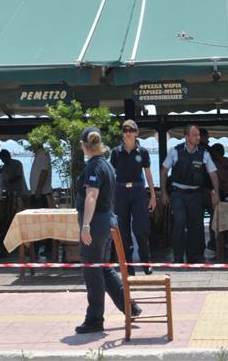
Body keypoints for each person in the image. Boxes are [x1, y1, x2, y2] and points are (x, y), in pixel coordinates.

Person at [74, 126, 141, 334]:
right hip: (107, 220)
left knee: (92, 270)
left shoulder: (94, 167)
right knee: (104, 267)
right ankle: (130, 307)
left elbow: (91, 195)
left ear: (84, 146)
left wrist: (86, 225)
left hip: (96, 222)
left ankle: (94, 319)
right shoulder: (106, 165)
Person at [160, 124, 220, 263]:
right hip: (178, 194)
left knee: (195, 225)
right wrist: (163, 193)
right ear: (186, 137)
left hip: (195, 194)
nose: (198, 137)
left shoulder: (204, 153)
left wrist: (216, 193)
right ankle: (178, 258)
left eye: (199, 135)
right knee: (179, 223)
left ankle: (193, 257)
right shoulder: (175, 151)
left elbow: (213, 174)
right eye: (195, 135)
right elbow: (163, 171)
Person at [109, 119, 157, 275]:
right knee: (123, 231)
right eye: (125, 130)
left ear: (136, 133)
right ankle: (128, 267)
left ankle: (146, 263)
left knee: (140, 229)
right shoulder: (116, 152)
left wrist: (153, 196)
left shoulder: (142, 152)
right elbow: (111, 175)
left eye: (131, 130)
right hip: (120, 191)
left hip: (138, 191)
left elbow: (148, 174)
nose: (128, 133)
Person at [30, 143, 53, 258]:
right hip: (38, 193)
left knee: (40, 223)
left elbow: (44, 172)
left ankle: (41, 249)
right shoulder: (39, 154)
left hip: (41, 194)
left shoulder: (43, 154)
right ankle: (38, 249)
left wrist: (39, 189)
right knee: (39, 223)